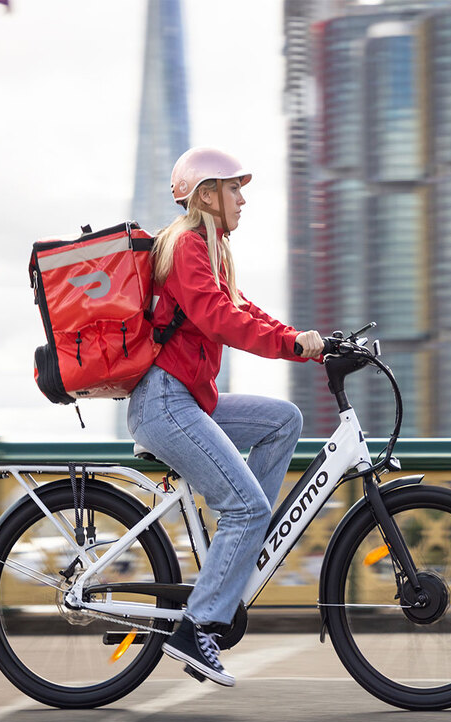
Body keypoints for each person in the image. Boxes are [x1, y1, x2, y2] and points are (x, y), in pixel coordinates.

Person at [127, 146, 323, 687]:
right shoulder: (187, 245)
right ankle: (197, 627)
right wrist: (291, 348)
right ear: (206, 195)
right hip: (165, 402)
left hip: (187, 400)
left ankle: (234, 552)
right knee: (248, 507)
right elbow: (218, 320)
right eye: (233, 188)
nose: (242, 198)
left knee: (283, 419)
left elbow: (243, 309)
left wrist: (312, 342)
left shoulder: (212, 252)